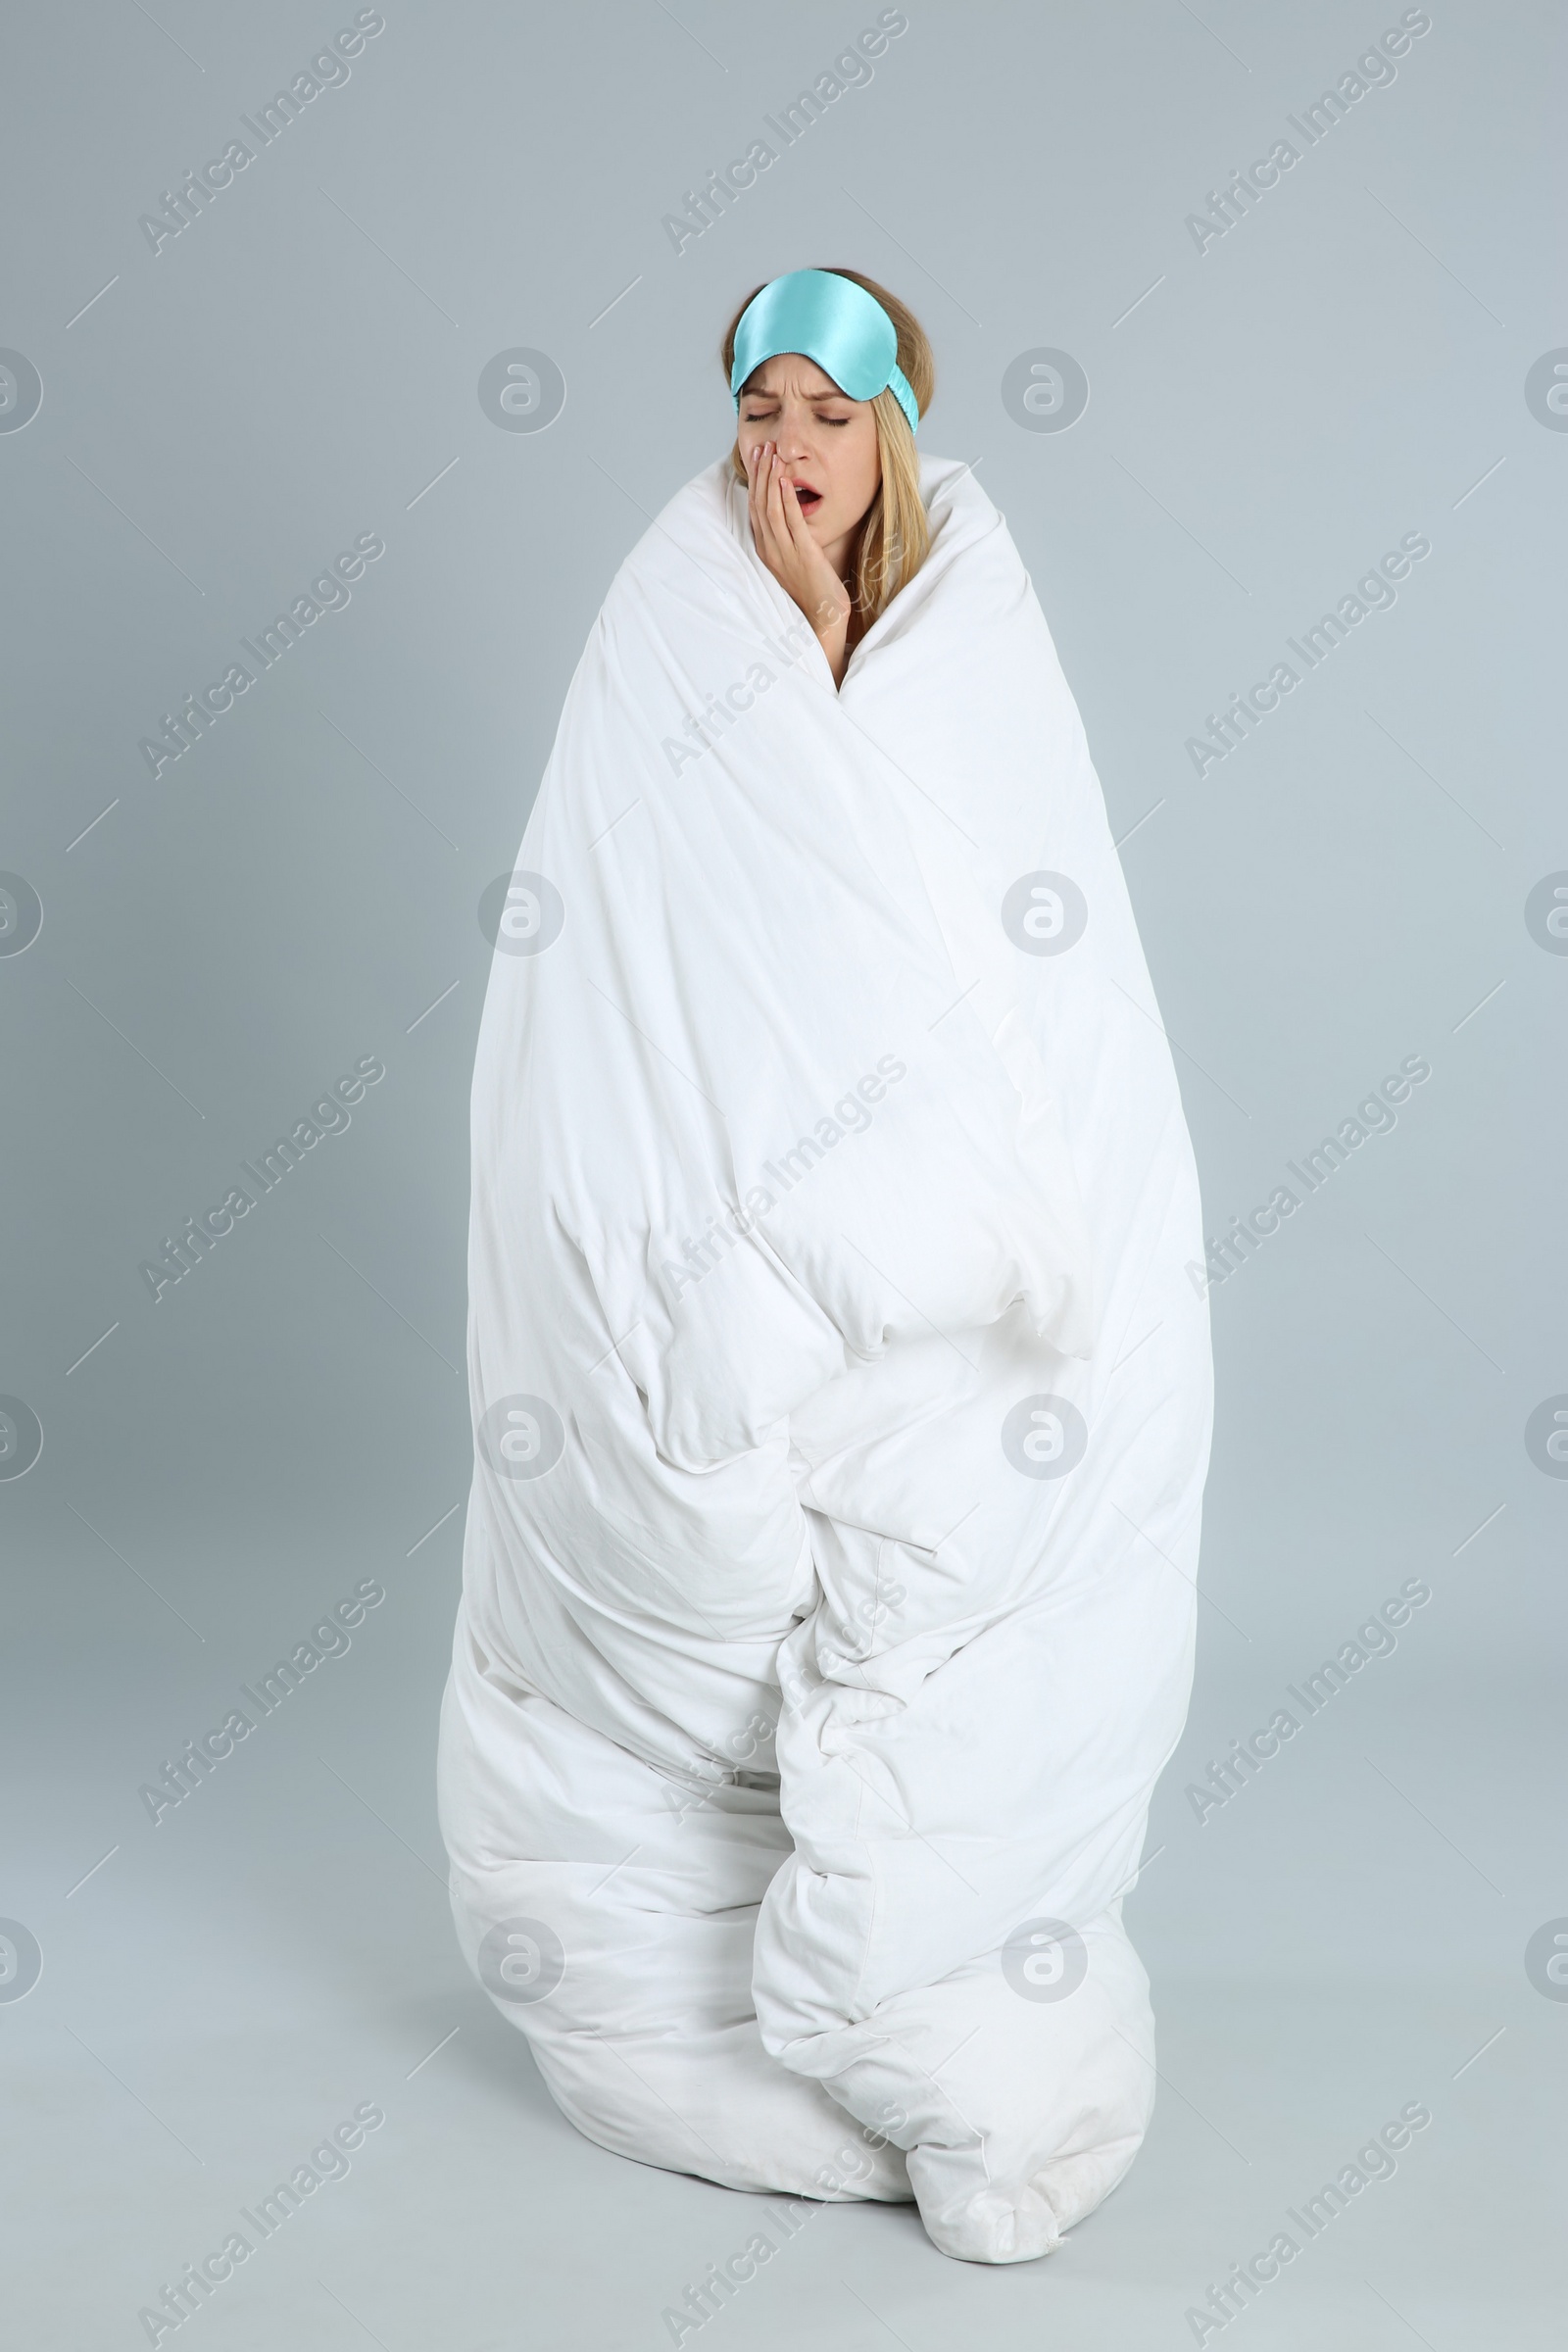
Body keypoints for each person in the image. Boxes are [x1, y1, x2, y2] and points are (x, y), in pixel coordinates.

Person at [438, 267, 1213, 2266]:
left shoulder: (972, 632)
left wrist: (995, 1220)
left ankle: (930, 1984)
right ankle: (740, 1974)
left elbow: (1050, 977)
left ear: (893, 431)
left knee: (1006, 1521)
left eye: (826, 411)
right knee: (682, 1559)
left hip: (959, 1294)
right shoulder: (673, 619)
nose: (784, 449)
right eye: (757, 408)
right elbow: (628, 954)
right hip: (739, 1237)